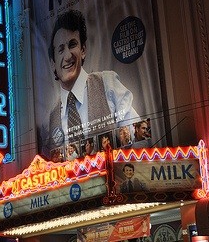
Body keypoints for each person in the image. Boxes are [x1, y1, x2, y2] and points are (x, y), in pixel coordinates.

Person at [40, 9, 140, 159]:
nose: (67, 56)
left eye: (72, 45)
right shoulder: (49, 119)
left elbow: (138, 134)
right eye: (60, 50)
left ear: (83, 50)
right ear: (53, 63)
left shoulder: (108, 83)